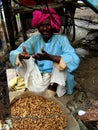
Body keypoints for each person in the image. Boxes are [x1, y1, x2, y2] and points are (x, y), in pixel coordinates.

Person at [9, 7, 80, 98]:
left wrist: (50, 57)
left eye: (48, 25)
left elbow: (74, 58)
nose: (45, 29)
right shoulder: (34, 40)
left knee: (62, 61)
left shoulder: (61, 39)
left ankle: (53, 88)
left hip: (56, 78)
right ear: (38, 27)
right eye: (42, 26)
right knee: (23, 60)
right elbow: (13, 53)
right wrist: (21, 56)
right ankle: (38, 88)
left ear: (53, 25)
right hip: (39, 77)